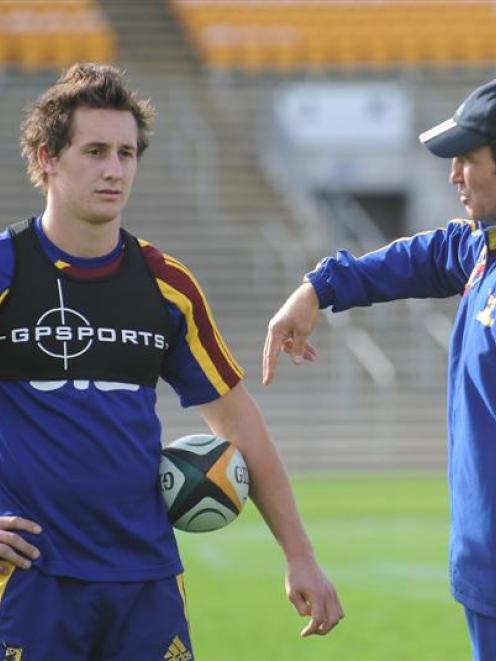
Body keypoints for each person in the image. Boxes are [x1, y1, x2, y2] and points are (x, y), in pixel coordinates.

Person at [0, 63, 343, 660]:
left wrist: (300, 556)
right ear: (46, 156)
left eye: (127, 153)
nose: (114, 169)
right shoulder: (5, 271)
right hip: (30, 579)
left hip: (146, 581)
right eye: (96, 150)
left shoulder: (166, 285)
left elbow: (239, 425)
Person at [263, 78, 496, 661]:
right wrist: (319, 287)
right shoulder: (481, 250)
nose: (454, 175)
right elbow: (427, 254)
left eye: (469, 158)